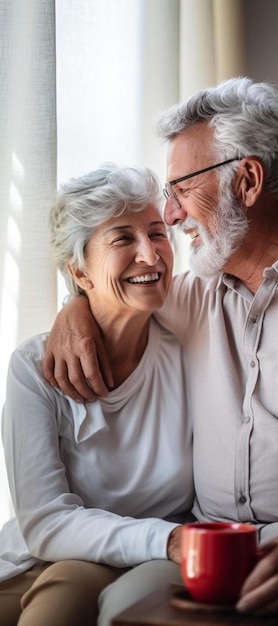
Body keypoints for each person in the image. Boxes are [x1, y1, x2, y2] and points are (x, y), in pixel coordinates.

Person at [42, 77, 278, 626]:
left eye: (181, 188)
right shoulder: (198, 291)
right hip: (209, 546)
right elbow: (122, 285)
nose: (172, 214)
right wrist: (73, 306)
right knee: (123, 609)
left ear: (249, 180)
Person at [0, 164, 194, 626]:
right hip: (46, 555)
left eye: (157, 232)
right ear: (79, 271)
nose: (150, 255)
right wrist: (166, 539)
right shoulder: (33, 369)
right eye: (123, 239)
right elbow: (47, 522)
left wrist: (77, 304)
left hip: (152, 564)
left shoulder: (192, 334)